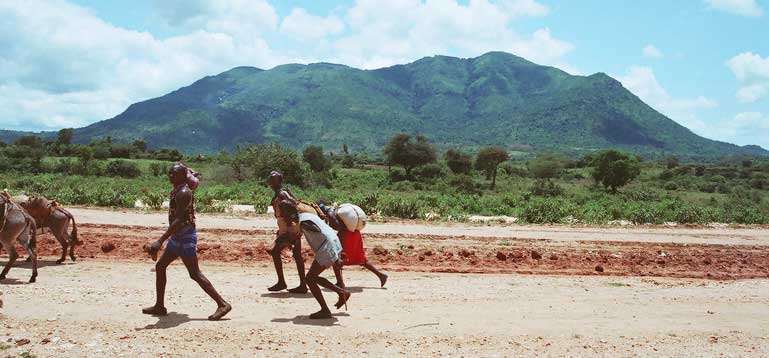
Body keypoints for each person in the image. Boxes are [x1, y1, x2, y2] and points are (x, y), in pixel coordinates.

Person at [143, 163, 232, 321]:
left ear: (183, 176)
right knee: (161, 266)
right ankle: (159, 306)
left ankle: (223, 304)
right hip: (178, 236)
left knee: (195, 273)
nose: (171, 176)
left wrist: (160, 241)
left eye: (174, 174)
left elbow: (179, 219)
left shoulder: (183, 192)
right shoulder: (179, 190)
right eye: (169, 173)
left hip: (185, 237)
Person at [279, 200, 350, 319]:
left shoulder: (303, 222)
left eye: (283, 213)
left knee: (310, 279)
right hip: (331, 244)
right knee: (312, 278)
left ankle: (328, 307)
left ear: (289, 213)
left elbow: (317, 230)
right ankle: (340, 293)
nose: (282, 216)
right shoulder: (305, 217)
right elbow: (324, 229)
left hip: (326, 247)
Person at [320, 203, 387, 288]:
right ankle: (381, 275)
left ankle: (340, 282)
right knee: (360, 258)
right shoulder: (334, 211)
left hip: (346, 235)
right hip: (355, 233)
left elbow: (339, 227)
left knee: (336, 258)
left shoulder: (330, 214)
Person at [267, 171, 308, 293]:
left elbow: (292, 205)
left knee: (275, 251)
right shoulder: (279, 193)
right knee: (297, 255)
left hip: (289, 228)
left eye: (273, 179)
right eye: (270, 179)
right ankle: (303, 285)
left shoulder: (282, 193)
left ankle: (282, 282)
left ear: (279, 181)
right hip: (289, 227)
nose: (271, 181)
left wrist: (289, 221)